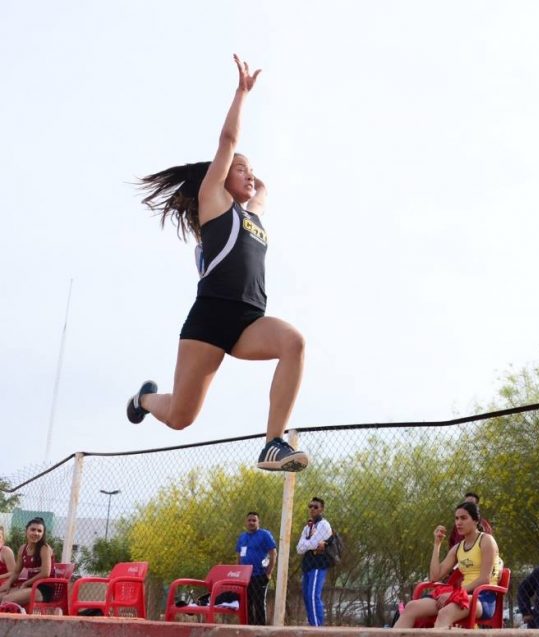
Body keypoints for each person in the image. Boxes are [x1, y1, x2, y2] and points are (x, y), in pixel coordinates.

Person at [128, 54, 308, 473]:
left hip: (249, 321)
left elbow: (263, 191)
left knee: (294, 343)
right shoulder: (214, 203)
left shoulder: (253, 216)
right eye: (239, 170)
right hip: (210, 320)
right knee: (180, 417)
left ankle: (273, 444)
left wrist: (254, 177)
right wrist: (241, 94)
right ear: (221, 175)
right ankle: (143, 399)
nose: (247, 175)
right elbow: (228, 142)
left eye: (249, 171)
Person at [393, 501, 503, 629]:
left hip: (483, 597)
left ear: (475, 520)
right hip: (461, 594)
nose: (458, 522)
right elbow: (435, 576)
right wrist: (437, 544)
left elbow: (485, 579)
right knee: (411, 607)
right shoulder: (458, 548)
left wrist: (454, 594)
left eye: (463, 518)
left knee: (445, 613)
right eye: (456, 518)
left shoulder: (486, 541)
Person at [0, 518, 53, 607]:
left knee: (7, 599)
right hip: (30, 586)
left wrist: (25, 583)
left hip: (43, 588)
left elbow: (45, 573)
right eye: (33, 529)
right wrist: (8, 583)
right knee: (1, 596)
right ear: (26, 531)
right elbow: (16, 572)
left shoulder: (44, 548)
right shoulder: (22, 548)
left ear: (43, 533)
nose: (36, 533)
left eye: (39, 531)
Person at [236, 511, 277, 625]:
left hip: (259, 575)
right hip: (245, 578)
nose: (251, 522)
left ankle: (260, 631)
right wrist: (238, 574)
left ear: (258, 522)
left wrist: (268, 572)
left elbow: (273, 553)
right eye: (249, 520)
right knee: (246, 604)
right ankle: (248, 630)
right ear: (246, 522)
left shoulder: (265, 535)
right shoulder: (242, 537)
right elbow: (239, 556)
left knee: (258, 604)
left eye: (254, 520)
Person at [296, 498, 333, 626]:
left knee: (313, 596)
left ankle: (317, 629)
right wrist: (310, 543)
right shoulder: (308, 527)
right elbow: (299, 548)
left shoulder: (324, 525)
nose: (312, 509)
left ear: (322, 509)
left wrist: (308, 543)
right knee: (307, 597)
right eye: (310, 506)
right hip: (307, 565)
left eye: (315, 507)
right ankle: (313, 625)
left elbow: (309, 544)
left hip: (318, 564)